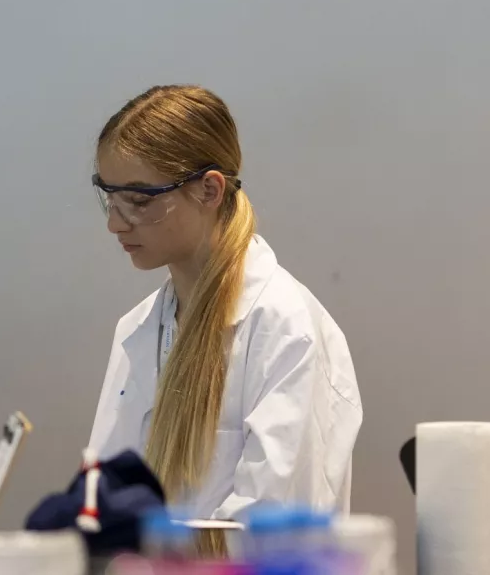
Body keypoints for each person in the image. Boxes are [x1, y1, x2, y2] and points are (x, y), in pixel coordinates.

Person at [84, 85, 361, 548]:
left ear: (209, 189)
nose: (115, 222)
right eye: (109, 198)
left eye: (138, 199)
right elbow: (107, 507)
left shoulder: (286, 328)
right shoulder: (137, 329)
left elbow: (272, 530)